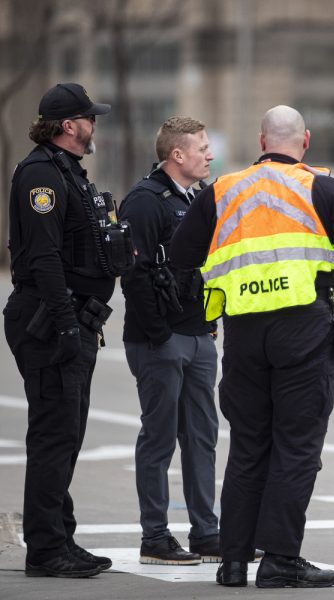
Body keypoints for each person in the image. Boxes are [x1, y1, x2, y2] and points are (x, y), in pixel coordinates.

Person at [169, 105, 334, 588]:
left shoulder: (224, 190)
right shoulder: (321, 187)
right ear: (304, 140)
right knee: (296, 448)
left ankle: (232, 562)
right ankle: (281, 559)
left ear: (261, 139)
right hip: (303, 334)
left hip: (244, 334)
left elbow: (181, 255)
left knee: (248, 447)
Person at [3, 83, 120, 577]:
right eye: (89, 118)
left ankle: (61, 537)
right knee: (53, 436)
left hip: (71, 317)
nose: (95, 125)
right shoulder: (41, 177)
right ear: (69, 126)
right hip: (50, 320)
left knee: (66, 435)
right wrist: (68, 326)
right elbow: (44, 258)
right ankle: (47, 549)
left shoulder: (68, 172)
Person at [118, 117, 220, 565]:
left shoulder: (197, 198)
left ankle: (207, 533)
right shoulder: (144, 202)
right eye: (201, 147)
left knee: (202, 436)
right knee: (159, 439)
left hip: (199, 335)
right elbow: (134, 276)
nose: (209, 154)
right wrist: (161, 335)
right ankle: (154, 538)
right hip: (161, 340)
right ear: (177, 155)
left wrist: (209, 325)